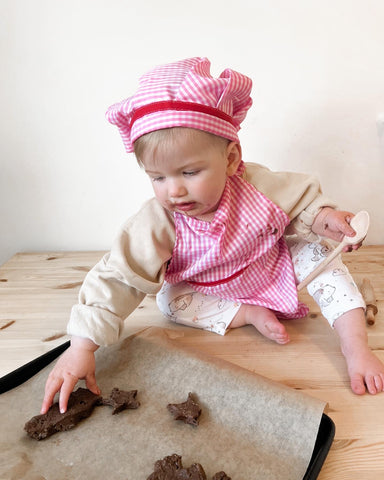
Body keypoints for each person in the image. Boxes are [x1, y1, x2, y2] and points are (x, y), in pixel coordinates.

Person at [41, 57, 384, 415]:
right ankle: (245, 313)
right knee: (168, 302)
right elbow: (118, 277)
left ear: (231, 158)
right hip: (209, 289)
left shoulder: (256, 185)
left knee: (321, 255)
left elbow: (300, 202)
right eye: (158, 177)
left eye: (189, 172)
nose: (173, 190)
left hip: (270, 265)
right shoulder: (158, 222)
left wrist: (324, 218)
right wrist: (81, 347)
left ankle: (355, 345)